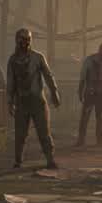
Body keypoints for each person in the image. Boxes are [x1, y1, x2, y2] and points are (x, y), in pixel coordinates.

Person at [7, 27, 62, 169]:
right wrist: (9, 101)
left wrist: (54, 91)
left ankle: (50, 159)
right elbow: (11, 83)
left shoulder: (38, 57)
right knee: (20, 134)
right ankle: (18, 160)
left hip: (38, 101)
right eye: (23, 39)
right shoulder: (13, 60)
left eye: (28, 39)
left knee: (44, 132)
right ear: (17, 40)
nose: (25, 42)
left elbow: (48, 75)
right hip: (22, 102)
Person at [77, 41, 102, 147]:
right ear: (100, 49)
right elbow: (83, 77)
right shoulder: (89, 61)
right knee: (85, 117)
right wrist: (80, 91)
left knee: (100, 118)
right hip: (90, 93)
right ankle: (81, 139)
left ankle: (99, 139)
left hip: (101, 95)